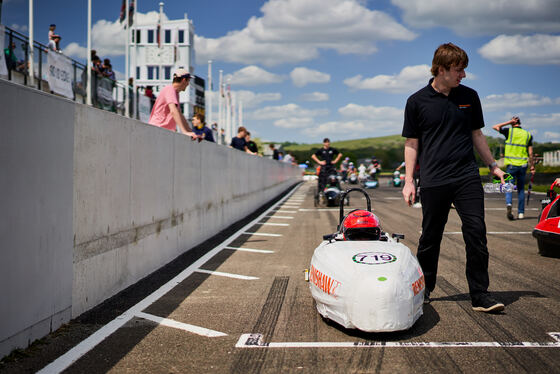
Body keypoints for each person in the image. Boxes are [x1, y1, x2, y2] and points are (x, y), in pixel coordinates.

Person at [401, 43, 506, 313]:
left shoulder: (470, 97)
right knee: (430, 237)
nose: (464, 75)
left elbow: (477, 135)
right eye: (459, 70)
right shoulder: (416, 101)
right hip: (434, 179)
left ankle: (480, 295)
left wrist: (493, 165)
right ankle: (424, 288)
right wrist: (409, 181)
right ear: (442, 69)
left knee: (476, 231)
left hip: (466, 176)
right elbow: (412, 143)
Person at [492, 117, 534, 220]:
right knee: (520, 189)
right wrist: (532, 166)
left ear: (513, 123)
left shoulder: (509, 131)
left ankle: (509, 203)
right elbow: (531, 153)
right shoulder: (527, 135)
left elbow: (495, 127)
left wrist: (508, 122)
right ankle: (521, 213)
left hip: (511, 165)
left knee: (509, 187)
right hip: (523, 165)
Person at [148, 68, 197, 139]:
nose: (188, 84)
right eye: (188, 81)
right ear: (184, 80)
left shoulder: (175, 93)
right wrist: (184, 132)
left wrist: (190, 132)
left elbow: (179, 114)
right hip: (158, 129)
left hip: (163, 131)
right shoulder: (170, 89)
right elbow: (173, 111)